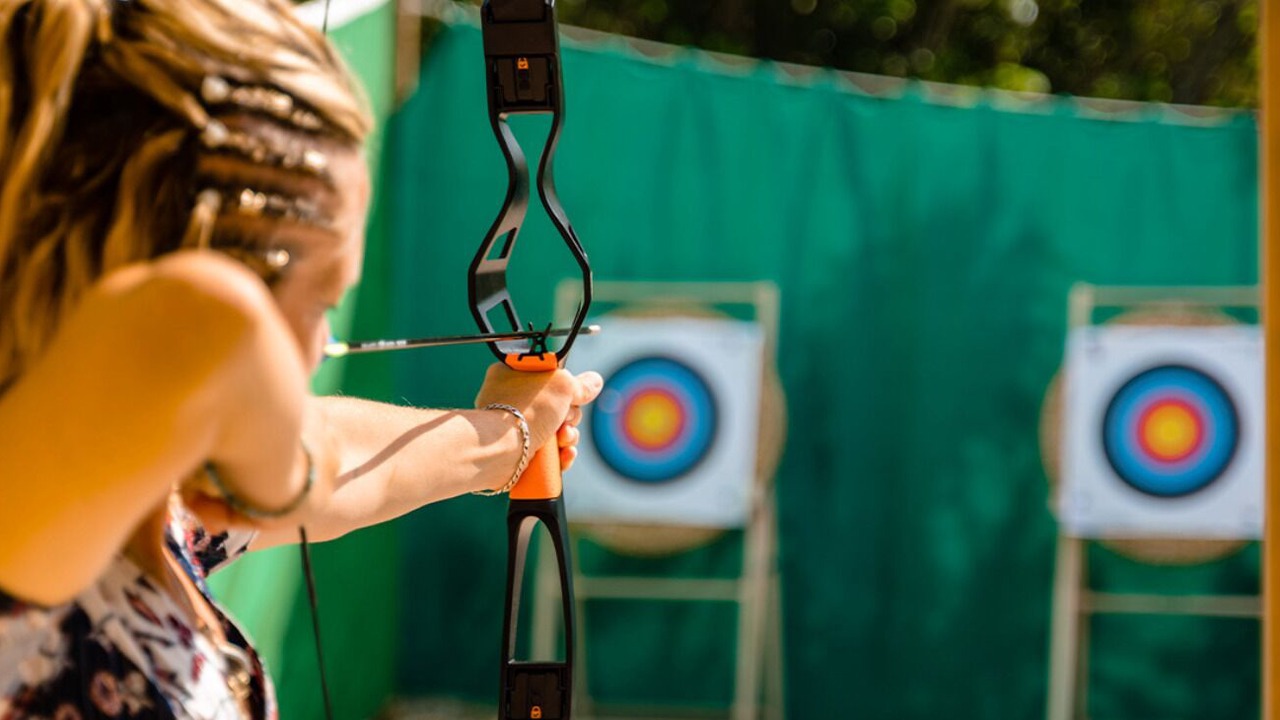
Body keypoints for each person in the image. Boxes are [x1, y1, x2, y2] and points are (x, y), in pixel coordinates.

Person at [0, 0, 603, 717]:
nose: (322, 342)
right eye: (317, 299)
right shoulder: (34, 504)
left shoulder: (162, 501)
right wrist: (292, 473)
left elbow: (350, 467)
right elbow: (200, 320)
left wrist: (511, 435)